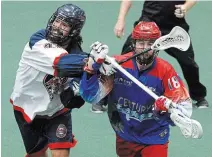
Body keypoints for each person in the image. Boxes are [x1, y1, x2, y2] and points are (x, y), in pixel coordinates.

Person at [80, 22, 194, 157]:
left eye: (150, 43)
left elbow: (184, 109)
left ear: (157, 45)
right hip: (125, 135)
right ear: (133, 44)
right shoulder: (116, 65)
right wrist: (91, 69)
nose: (145, 48)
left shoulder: (166, 71)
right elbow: (90, 96)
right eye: (141, 43)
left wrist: (164, 110)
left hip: (154, 138)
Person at [10, 4, 88, 157]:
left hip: (57, 111)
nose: (57, 26)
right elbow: (62, 64)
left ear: (74, 31)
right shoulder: (36, 43)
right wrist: (92, 62)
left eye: (65, 24)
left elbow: (74, 99)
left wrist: (76, 90)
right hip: (28, 107)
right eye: (57, 21)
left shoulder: (76, 52)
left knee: (61, 153)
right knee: (37, 155)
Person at [113, 0, 208, 108]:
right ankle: (106, 96)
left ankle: (198, 96)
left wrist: (185, 7)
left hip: (174, 27)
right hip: (148, 24)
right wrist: (120, 20)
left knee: (188, 63)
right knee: (124, 59)